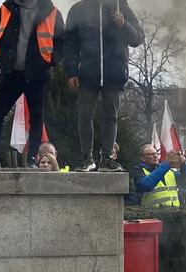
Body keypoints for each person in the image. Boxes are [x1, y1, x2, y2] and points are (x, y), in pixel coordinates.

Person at [0, 0, 64, 169]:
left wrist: (52, 61)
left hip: (37, 74)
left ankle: (33, 158)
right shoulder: (7, 8)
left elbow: (61, 40)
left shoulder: (50, 11)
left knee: (36, 117)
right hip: (11, 72)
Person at [64, 0, 143, 172]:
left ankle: (107, 158)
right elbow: (69, 43)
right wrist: (71, 71)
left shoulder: (120, 6)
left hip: (114, 73)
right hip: (87, 73)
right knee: (84, 115)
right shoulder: (78, 9)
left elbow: (137, 38)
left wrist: (123, 24)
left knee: (111, 116)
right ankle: (87, 159)